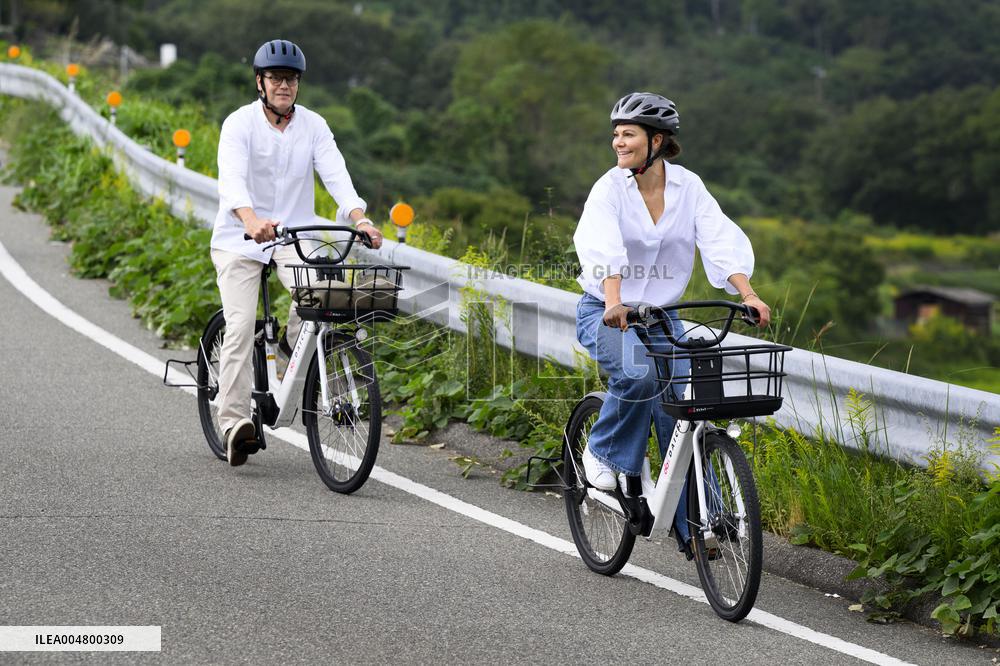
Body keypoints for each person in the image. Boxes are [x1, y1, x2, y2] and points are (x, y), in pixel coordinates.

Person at [573, 91, 771, 547]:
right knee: (640, 376)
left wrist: (748, 293)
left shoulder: (689, 188)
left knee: (683, 412)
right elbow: (603, 247)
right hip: (606, 313)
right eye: (616, 135)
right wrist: (614, 301)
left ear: (657, 140)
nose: (618, 143)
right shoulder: (609, 189)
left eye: (628, 134)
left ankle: (697, 525)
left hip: (662, 318)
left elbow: (719, 239)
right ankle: (602, 453)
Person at [210, 38, 384, 466]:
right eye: (275, 78)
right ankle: (233, 423)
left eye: (290, 79)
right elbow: (231, 181)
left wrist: (360, 218)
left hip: (291, 237)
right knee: (238, 328)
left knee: (320, 303)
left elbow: (336, 176)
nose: (283, 85)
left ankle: (292, 359)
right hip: (241, 238)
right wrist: (250, 220)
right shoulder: (239, 124)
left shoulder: (314, 126)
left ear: (298, 84)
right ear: (260, 82)